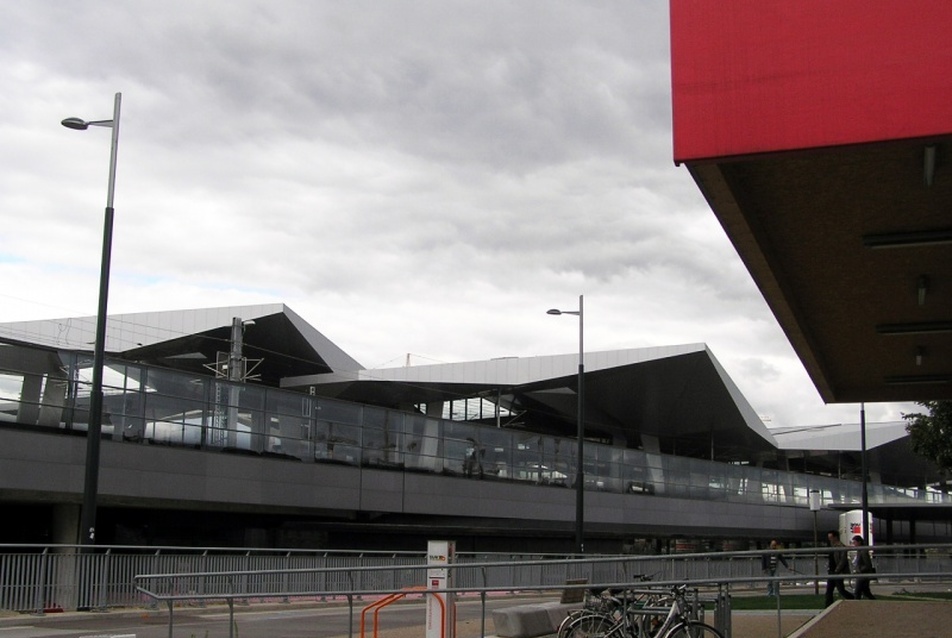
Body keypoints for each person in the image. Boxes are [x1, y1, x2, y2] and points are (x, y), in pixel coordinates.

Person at [824, 530, 854, 606]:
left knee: (841, 590)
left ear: (835, 537)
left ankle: (853, 599)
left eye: (831, 537)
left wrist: (837, 570)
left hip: (837, 571)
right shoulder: (832, 546)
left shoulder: (841, 547)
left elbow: (842, 560)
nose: (830, 539)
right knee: (829, 591)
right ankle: (827, 606)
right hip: (831, 571)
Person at [851, 535, 876, 599]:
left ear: (859, 542)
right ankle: (874, 602)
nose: (854, 544)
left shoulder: (863, 552)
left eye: (855, 542)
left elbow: (868, 564)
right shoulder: (860, 551)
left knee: (857, 592)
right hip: (862, 573)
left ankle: (857, 606)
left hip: (862, 574)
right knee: (866, 591)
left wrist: (859, 570)